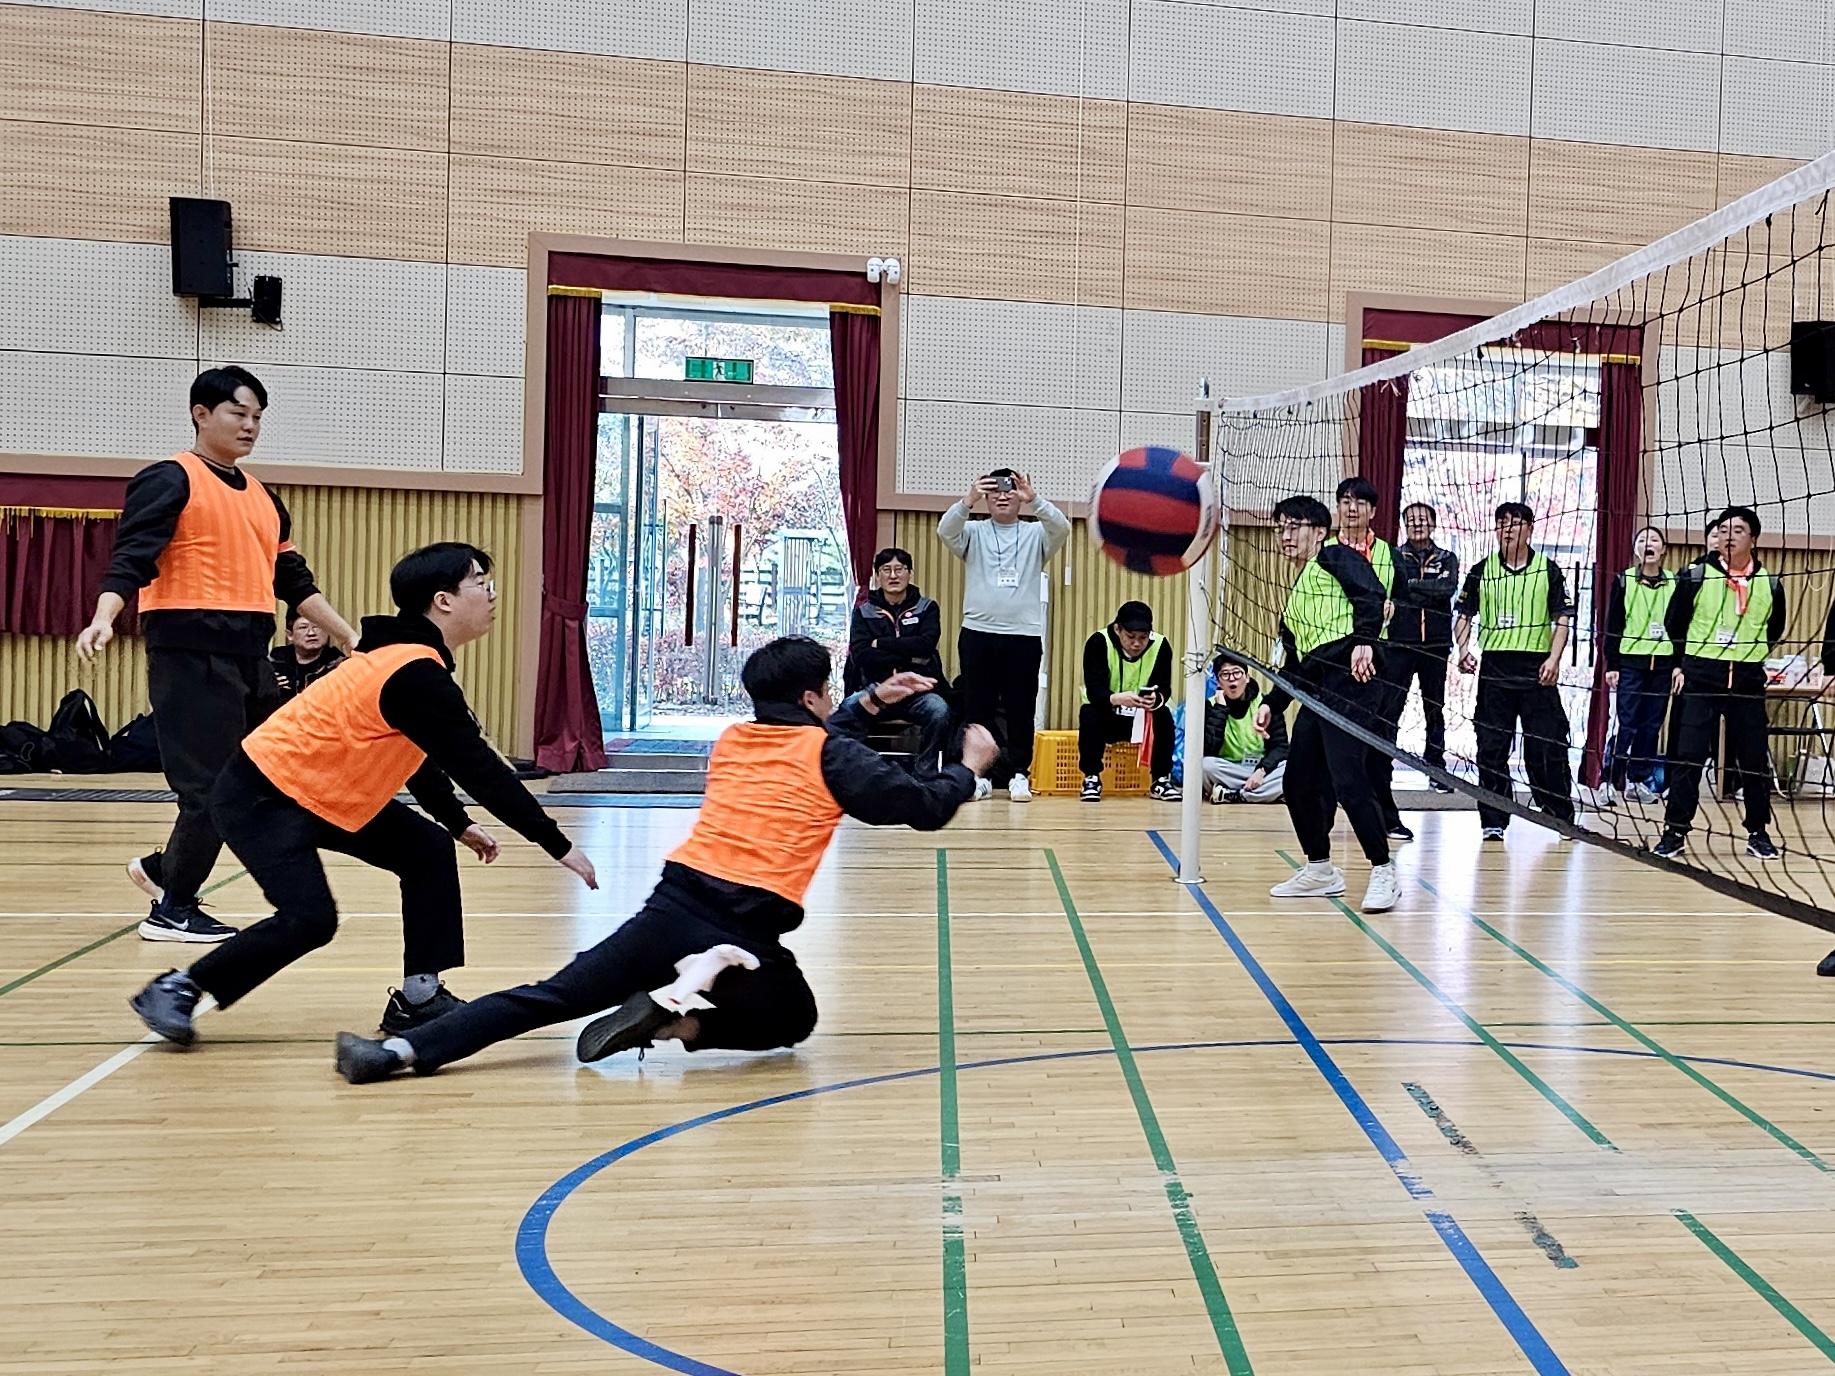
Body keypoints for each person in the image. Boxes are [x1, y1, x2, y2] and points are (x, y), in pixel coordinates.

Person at [329, 638, 998, 1084]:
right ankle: (683, 1019)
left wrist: (873, 700)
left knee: (550, 996)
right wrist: (968, 768)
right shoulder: (832, 754)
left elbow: (821, 740)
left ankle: (395, 1052)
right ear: (811, 699)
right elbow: (920, 805)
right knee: (792, 1019)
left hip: (672, 906)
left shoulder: (735, 740)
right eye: (828, 691)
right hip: (743, 927)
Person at [127, 543, 598, 1046]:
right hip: (261, 792)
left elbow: (419, 753)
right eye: (481, 583)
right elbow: (481, 770)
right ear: (443, 600)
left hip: (321, 792)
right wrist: (557, 845)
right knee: (310, 920)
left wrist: (456, 822)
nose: (491, 594)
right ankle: (178, 988)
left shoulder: (410, 661)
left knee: (427, 850)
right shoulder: (411, 669)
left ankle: (420, 999)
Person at [77, 366, 357, 944]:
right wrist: (104, 615)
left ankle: (164, 870)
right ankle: (172, 908)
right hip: (190, 652)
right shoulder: (169, 478)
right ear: (201, 414)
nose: (250, 426)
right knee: (209, 789)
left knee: (263, 776)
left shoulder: (265, 498)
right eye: (239, 413)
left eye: (258, 417)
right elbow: (131, 557)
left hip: (251, 655)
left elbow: (294, 581)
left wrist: (349, 636)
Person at [1260, 495, 1396, 912]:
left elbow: (1372, 595)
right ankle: (1320, 870)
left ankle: (1383, 869)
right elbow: (1296, 665)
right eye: (1281, 528)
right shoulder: (1294, 599)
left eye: (1294, 526)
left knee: (1348, 778)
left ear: (1319, 531)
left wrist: (1365, 642)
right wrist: (1272, 702)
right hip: (1317, 690)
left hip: (1353, 679)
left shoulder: (1336, 556)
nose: (1286, 535)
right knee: (1298, 782)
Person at [1653, 506, 1784, 861]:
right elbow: (1674, 623)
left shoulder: (1770, 583)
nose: (1729, 536)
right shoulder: (1695, 575)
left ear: (1753, 540)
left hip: (1747, 682)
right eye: (1723, 530)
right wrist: (1686, 663)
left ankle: (1758, 832)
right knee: (1688, 757)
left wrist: (1747, 655)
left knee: (1753, 761)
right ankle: (1675, 831)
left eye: (1738, 530)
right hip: (1702, 679)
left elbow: (1774, 629)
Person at [938, 466, 1070, 802]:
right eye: (994, 490)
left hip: (1023, 636)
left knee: (1020, 708)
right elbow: (945, 530)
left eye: (1009, 490)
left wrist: (1034, 499)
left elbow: (1062, 527)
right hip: (978, 633)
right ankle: (977, 775)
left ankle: (1019, 773)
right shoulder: (973, 531)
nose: (1002, 496)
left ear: (1019, 496)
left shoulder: (1036, 534)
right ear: (986, 496)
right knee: (977, 709)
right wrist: (968, 499)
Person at [1453, 502, 1577, 840]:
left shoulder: (1548, 570)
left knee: (1547, 745)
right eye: (1502, 523)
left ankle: (1559, 815)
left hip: (1537, 670)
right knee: (1491, 748)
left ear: (1530, 529)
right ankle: (1493, 819)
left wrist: (1554, 659)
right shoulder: (1481, 570)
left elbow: (1563, 618)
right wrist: (1463, 650)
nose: (1508, 529)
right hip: (1496, 668)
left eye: (1516, 523)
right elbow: (1464, 615)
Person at [1328, 477, 1411, 843]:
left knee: (1379, 743)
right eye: (1345, 501)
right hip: (1334, 659)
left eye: (1360, 502)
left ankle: (1386, 818)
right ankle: (1323, 822)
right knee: (1332, 742)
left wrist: (1395, 608)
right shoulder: (1325, 551)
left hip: (1379, 660)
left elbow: (1406, 601)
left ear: (1373, 511)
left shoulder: (1391, 556)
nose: (1352, 508)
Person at [845, 547, 951, 773]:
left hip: (918, 692)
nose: (893, 576)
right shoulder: (864, 612)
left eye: (899, 569)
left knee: (940, 710)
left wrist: (880, 643)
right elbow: (861, 655)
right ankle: (858, 773)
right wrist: (908, 654)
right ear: (877, 575)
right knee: (848, 710)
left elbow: (926, 646)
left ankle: (926, 775)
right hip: (876, 690)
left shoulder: (926, 608)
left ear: (909, 573)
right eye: (886, 570)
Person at [1389, 501, 1459, 793]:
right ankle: (1383, 764)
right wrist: (1422, 588)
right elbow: (1395, 590)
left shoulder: (1447, 558)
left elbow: (1446, 589)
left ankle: (1436, 768)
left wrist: (1412, 586)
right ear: (1405, 525)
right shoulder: (1393, 556)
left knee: (1435, 707)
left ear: (1433, 524)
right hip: (1400, 644)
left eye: (1422, 519)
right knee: (1392, 706)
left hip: (1436, 645)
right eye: (1411, 520)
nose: (1417, 524)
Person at [1602, 527, 1675, 804]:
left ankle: (1638, 779)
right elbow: (1613, 624)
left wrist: (1678, 665)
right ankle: (1610, 779)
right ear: (1635, 549)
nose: (1648, 544)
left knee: (1651, 725)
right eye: (1642, 540)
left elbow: (1681, 624)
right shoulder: (1624, 581)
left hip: (1663, 665)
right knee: (1627, 723)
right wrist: (1612, 664)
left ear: (1663, 549)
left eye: (1654, 540)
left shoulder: (1674, 582)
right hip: (1631, 663)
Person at [1077, 600, 1177, 802]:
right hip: (1108, 714)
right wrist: (1116, 699)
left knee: (1164, 716)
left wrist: (1155, 699)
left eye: (1143, 637)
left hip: (1141, 718)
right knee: (1089, 713)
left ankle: (1160, 780)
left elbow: (1164, 687)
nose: (1137, 644)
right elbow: (1094, 688)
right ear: (1117, 629)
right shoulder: (1098, 643)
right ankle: (1092, 778)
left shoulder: (1161, 645)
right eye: (1130, 637)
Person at [1203, 651, 1287, 803]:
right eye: (1225, 674)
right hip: (1229, 770)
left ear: (1247, 677)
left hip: (1262, 769)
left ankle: (1235, 795)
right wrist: (1220, 710)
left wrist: (1261, 770)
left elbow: (1280, 747)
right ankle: (1265, 793)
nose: (1232, 679)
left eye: (1237, 673)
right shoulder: (1211, 706)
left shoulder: (1265, 705)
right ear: (1218, 682)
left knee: (1290, 767)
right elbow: (1208, 750)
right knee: (1205, 766)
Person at [271, 605, 346, 698]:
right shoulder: (274, 661)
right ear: (290, 635)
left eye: (317, 627)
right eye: (303, 627)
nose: (311, 633)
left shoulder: (339, 665)